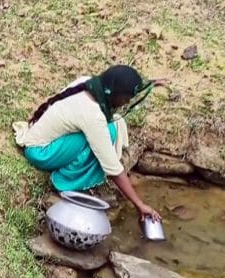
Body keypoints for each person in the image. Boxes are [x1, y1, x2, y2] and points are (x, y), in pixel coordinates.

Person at [14, 65, 162, 221]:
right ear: (113, 93)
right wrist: (140, 205)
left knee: (110, 128)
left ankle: (70, 174)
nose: (126, 102)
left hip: (41, 138)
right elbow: (112, 168)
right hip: (40, 152)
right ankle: (64, 182)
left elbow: (119, 87)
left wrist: (149, 84)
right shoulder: (92, 115)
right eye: (126, 98)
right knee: (97, 140)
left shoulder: (89, 83)